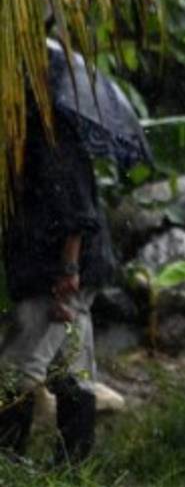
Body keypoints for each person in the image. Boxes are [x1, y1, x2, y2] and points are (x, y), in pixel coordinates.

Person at [0, 86, 118, 465]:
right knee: (72, 370)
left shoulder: (46, 134)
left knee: (16, 368)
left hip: (56, 272)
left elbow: (76, 214)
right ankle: (70, 470)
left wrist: (67, 271)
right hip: (67, 267)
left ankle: (7, 463)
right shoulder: (37, 130)